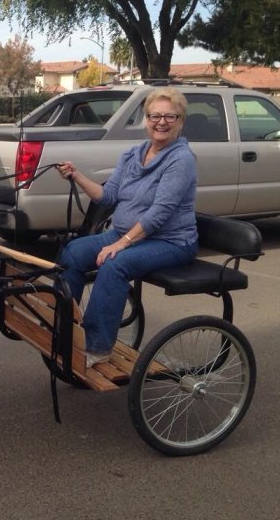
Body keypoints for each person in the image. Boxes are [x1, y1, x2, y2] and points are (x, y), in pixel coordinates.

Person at [57, 87, 198, 367]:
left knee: (114, 263)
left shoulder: (181, 159)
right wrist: (77, 176)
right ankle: (65, 326)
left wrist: (120, 244)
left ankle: (97, 348)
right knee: (72, 252)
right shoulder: (133, 154)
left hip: (170, 242)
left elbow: (159, 214)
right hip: (127, 234)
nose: (161, 122)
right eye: (155, 115)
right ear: (145, 120)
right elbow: (108, 196)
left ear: (180, 122)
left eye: (170, 116)